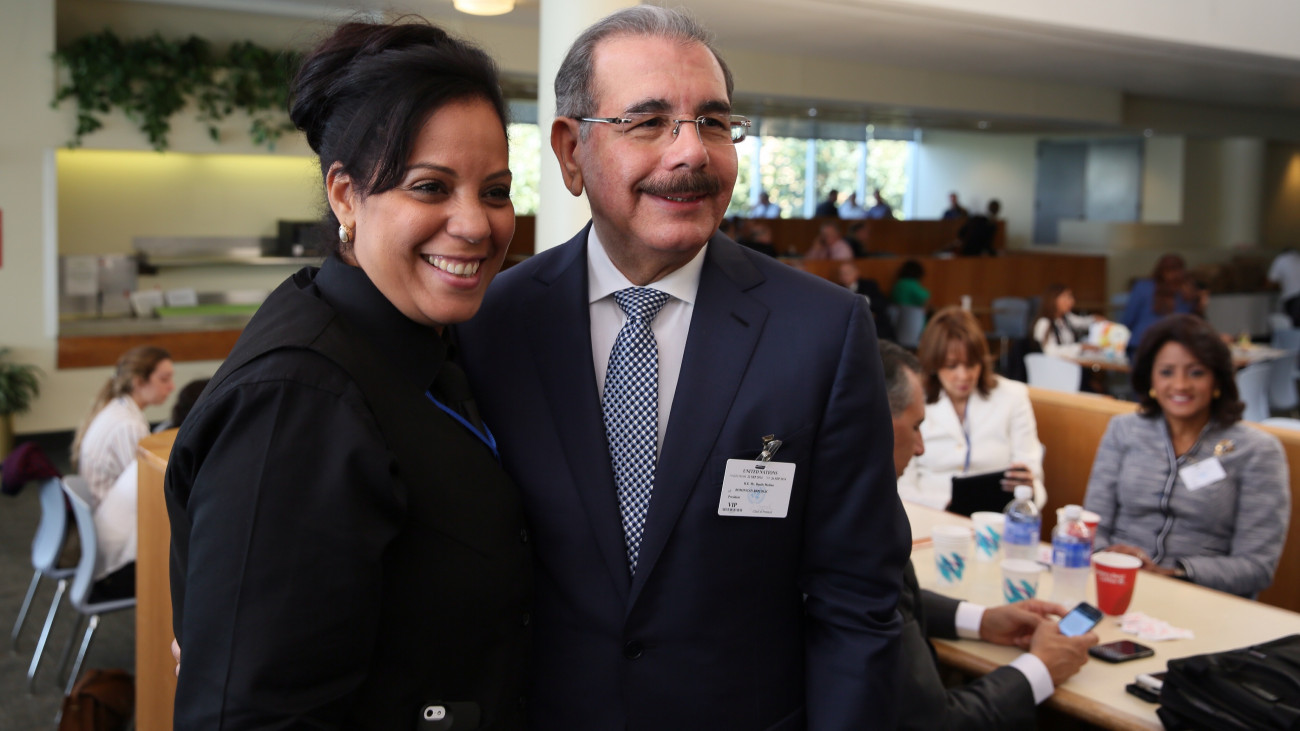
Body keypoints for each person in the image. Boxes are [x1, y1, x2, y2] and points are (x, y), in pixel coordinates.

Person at [458, 7, 910, 729]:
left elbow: (858, 602)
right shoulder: (490, 323)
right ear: (571, 152)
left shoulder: (822, 332)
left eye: (713, 122)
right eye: (648, 122)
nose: (693, 152)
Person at [164, 20, 531, 728]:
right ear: (344, 196)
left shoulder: (423, 343)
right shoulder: (297, 401)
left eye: (495, 191)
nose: (476, 224)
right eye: (430, 187)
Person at [881, 342, 1098, 730]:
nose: (921, 447)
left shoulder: (843, 507)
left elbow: (894, 601)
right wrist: (1041, 668)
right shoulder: (862, 536)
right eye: (915, 427)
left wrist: (982, 620)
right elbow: (937, 724)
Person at [1084, 314, 1289, 598]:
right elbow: (1092, 527)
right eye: (1167, 372)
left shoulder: (1256, 450)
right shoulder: (1124, 431)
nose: (1180, 385)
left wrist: (1174, 574)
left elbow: (1257, 566)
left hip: (1205, 598)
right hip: (1115, 585)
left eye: (1196, 373)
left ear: (1217, 378)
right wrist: (1111, 560)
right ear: (1150, 378)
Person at [898, 306, 1046, 510]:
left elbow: (1034, 479)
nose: (964, 376)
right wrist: (947, 506)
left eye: (971, 364)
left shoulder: (1013, 396)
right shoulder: (912, 400)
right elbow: (902, 486)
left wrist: (1028, 488)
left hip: (995, 516)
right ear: (933, 364)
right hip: (931, 514)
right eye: (952, 366)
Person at [71, 345, 175, 599]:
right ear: (139, 382)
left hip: (101, 531)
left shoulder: (117, 409)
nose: (171, 387)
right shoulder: (128, 426)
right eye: (164, 379)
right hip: (113, 546)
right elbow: (148, 491)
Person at [1120, 253, 1192, 355]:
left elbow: (1128, 319)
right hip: (1171, 346)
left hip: (1141, 342)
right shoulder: (1187, 292)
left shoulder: (1143, 287)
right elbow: (1189, 323)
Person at [1032, 284, 1098, 357]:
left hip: (1069, 361)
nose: (1072, 301)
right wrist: (1080, 347)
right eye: (1066, 297)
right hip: (1054, 363)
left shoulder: (1066, 318)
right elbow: (1050, 351)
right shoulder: (1044, 323)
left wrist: (1094, 318)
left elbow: (1082, 322)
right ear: (1053, 299)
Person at [838, 261, 895, 342]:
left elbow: (882, 303)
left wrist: (864, 303)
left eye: (847, 273)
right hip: (852, 327)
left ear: (856, 273)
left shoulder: (869, 285)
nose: (844, 276)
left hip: (874, 325)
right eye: (841, 274)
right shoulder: (839, 289)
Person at [1268, 247, 1300, 326]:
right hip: (1295, 298)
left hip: (1293, 298)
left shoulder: (1281, 259)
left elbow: (1271, 281)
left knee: (1294, 326)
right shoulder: (1297, 258)